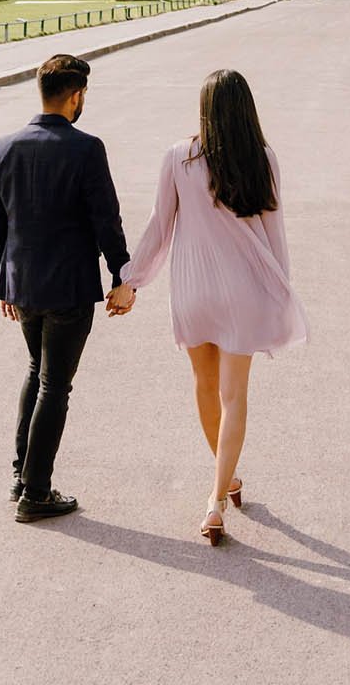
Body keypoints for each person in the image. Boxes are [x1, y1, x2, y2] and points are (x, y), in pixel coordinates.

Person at [108, 68, 306, 547]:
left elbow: (161, 227)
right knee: (234, 396)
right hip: (247, 291)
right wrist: (282, 291)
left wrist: (130, 281)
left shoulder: (179, 157)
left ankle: (227, 480)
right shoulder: (264, 159)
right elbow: (274, 233)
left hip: (194, 288)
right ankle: (216, 500)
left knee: (204, 386)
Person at [0, 53, 130, 523]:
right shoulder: (87, 149)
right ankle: (37, 492)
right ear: (76, 96)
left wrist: (2, 281)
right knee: (54, 384)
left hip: (23, 284)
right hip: (68, 286)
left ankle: (20, 475)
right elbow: (105, 218)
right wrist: (121, 274)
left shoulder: (5, 146)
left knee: (36, 370)